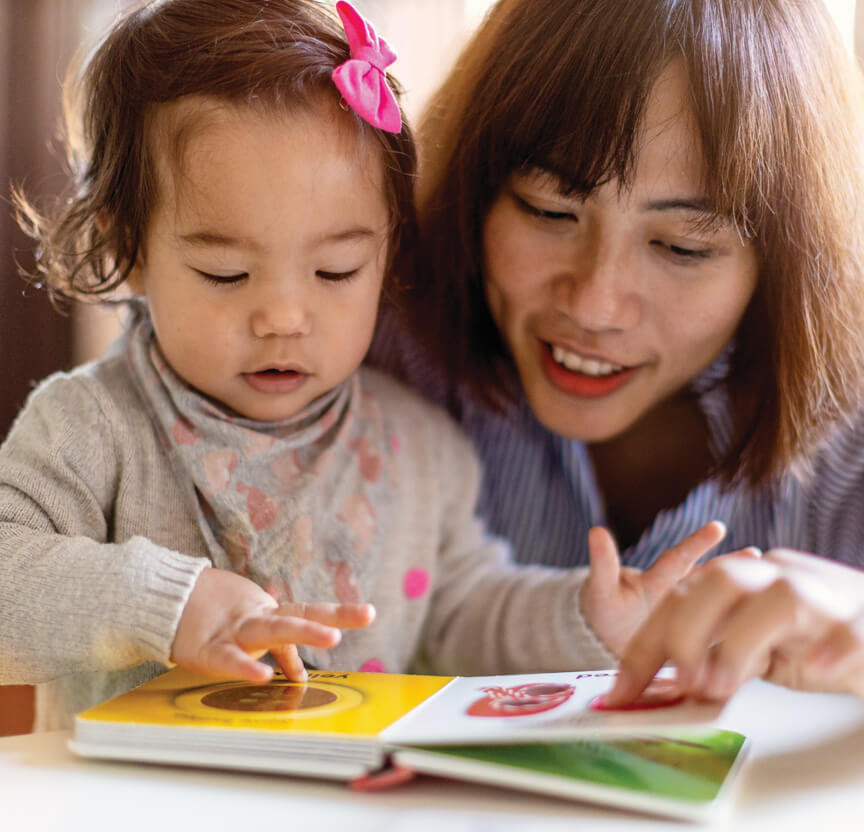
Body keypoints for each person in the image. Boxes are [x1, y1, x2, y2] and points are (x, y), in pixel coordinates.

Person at [2, 0, 722, 731]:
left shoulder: (419, 447)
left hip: (351, 823)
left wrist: (587, 618)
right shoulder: (88, 429)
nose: (284, 316)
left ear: (389, 254)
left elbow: (464, 618)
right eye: (226, 273)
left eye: (338, 271)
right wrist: (166, 604)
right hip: (131, 822)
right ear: (128, 248)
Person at [368, 0, 864, 703]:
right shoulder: (378, 343)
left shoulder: (851, 408)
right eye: (548, 210)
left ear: (786, 264)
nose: (594, 304)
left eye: (682, 247)